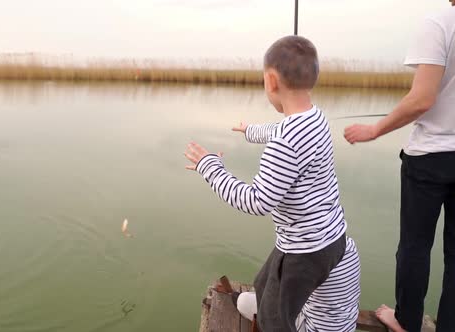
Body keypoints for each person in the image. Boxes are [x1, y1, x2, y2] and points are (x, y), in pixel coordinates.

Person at [184, 36, 361, 332]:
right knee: (263, 281)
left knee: (274, 321)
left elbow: (257, 201)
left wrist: (210, 167)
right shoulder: (315, 119)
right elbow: (279, 129)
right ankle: (272, 302)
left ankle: (275, 316)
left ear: (270, 81)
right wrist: (250, 131)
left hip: (303, 251)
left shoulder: (284, 144)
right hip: (330, 237)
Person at [344, 3, 455, 332]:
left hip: (430, 157)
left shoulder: (439, 23)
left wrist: (374, 129)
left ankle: (406, 321)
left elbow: (422, 99)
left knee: (415, 246)